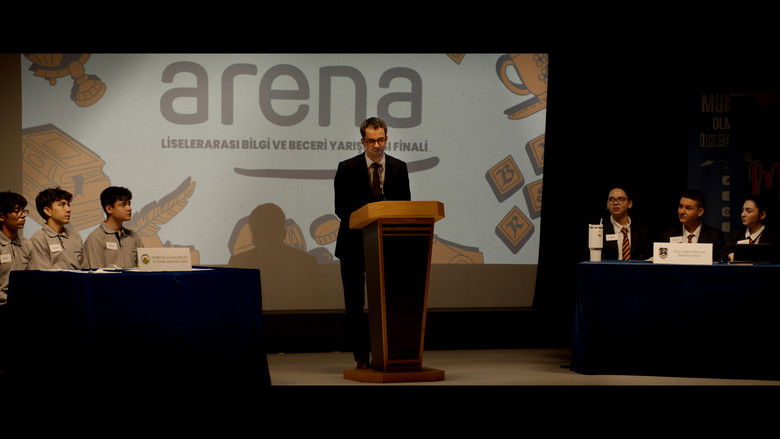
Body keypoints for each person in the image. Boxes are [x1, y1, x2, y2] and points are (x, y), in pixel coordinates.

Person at [334, 116, 411, 370]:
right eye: (371, 141)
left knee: (389, 302)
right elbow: (341, 208)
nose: (377, 145)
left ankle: (389, 353)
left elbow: (405, 206)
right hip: (353, 245)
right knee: (355, 303)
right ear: (362, 142)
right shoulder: (347, 167)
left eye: (381, 139)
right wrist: (370, 214)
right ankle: (361, 357)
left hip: (389, 245)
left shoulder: (399, 167)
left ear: (387, 138)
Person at [83, 186, 142, 269]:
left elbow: (144, 268)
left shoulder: (134, 237)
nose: (129, 208)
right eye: (123, 205)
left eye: (129, 204)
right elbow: (96, 273)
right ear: (109, 209)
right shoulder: (96, 238)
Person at [659, 189, 723, 260]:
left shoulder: (714, 236)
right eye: (680, 206)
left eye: (688, 208)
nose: (682, 212)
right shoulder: (668, 234)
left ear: (700, 212)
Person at [29, 187, 84, 270]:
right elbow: (42, 274)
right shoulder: (39, 239)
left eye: (68, 205)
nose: (68, 209)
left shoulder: (75, 236)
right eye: (62, 205)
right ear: (48, 211)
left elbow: (84, 267)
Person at [598, 186, 652, 261]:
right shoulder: (599, 230)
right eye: (611, 199)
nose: (615, 203)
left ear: (629, 204)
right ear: (607, 204)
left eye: (620, 199)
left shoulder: (642, 230)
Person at [720, 196, 778, 262]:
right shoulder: (736, 233)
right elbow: (724, 251)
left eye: (748, 211)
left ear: (762, 215)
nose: (742, 214)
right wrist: (730, 255)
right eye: (742, 210)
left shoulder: (774, 237)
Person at [0, 191, 32, 305]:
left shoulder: (27, 244)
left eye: (24, 211)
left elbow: (33, 278)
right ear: (2, 216)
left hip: (24, 304)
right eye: (17, 211)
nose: (23, 215)